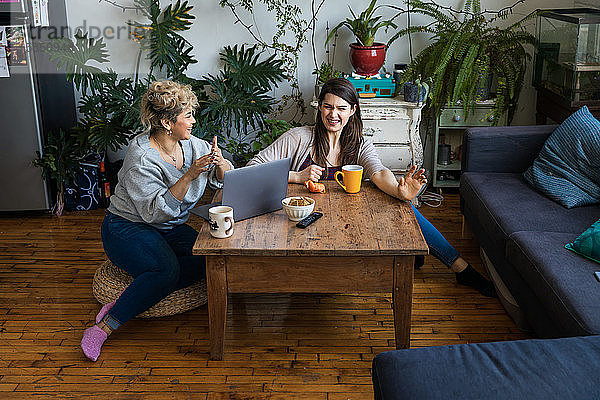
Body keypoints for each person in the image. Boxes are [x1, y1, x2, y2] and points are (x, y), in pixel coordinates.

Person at [248, 77, 496, 298]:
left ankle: (460, 268)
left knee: (404, 206)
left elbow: (378, 172)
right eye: (328, 106)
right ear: (320, 107)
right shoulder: (299, 137)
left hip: (348, 221)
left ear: (353, 110)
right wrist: (297, 176)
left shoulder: (360, 144)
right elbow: (253, 168)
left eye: (341, 108)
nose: (333, 114)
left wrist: (401, 192)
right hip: (304, 221)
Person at [81, 80, 233, 362]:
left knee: (210, 257)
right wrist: (188, 175)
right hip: (127, 227)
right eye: (187, 116)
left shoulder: (194, 145)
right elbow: (156, 212)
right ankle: (104, 326)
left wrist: (222, 165)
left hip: (169, 227)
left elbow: (221, 178)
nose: (193, 121)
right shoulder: (141, 157)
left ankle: (136, 294)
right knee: (166, 271)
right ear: (166, 122)